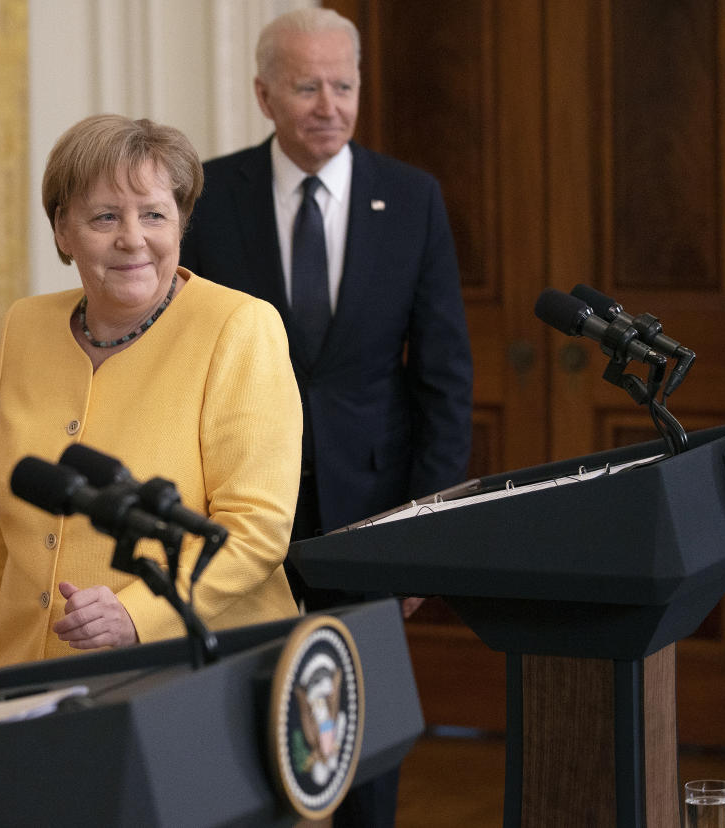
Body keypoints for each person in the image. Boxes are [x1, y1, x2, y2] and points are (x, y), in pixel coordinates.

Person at [179, 9, 473, 825]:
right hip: (237, 509)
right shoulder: (206, 195)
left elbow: (444, 377)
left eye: (343, 85)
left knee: (363, 725)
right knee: (238, 712)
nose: (327, 104)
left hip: (373, 512)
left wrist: (427, 530)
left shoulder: (412, 198)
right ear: (264, 93)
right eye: (306, 85)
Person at [0, 114, 302, 681]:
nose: (132, 238)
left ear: (181, 223)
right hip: (27, 683)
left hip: (189, 677)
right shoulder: (25, 326)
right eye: (105, 217)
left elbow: (255, 529)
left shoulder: (239, 326)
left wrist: (139, 614)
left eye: (154, 215)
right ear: (63, 231)